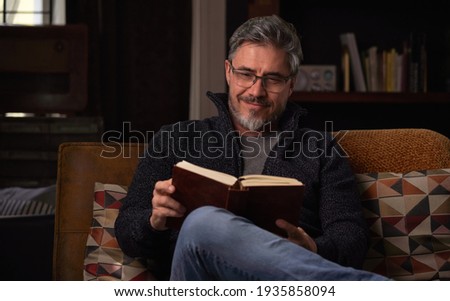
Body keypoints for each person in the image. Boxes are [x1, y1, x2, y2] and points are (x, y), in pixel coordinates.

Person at [115, 15, 387, 281]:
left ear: (291, 85)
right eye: (246, 74)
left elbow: (351, 237)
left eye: (273, 79)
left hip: (284, 288)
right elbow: (127, 234)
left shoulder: (320, 149)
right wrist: (154, 221)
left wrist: (313, 249)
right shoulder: (176, 138)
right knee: (203, 221)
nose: (256, 91)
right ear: (228, 72)